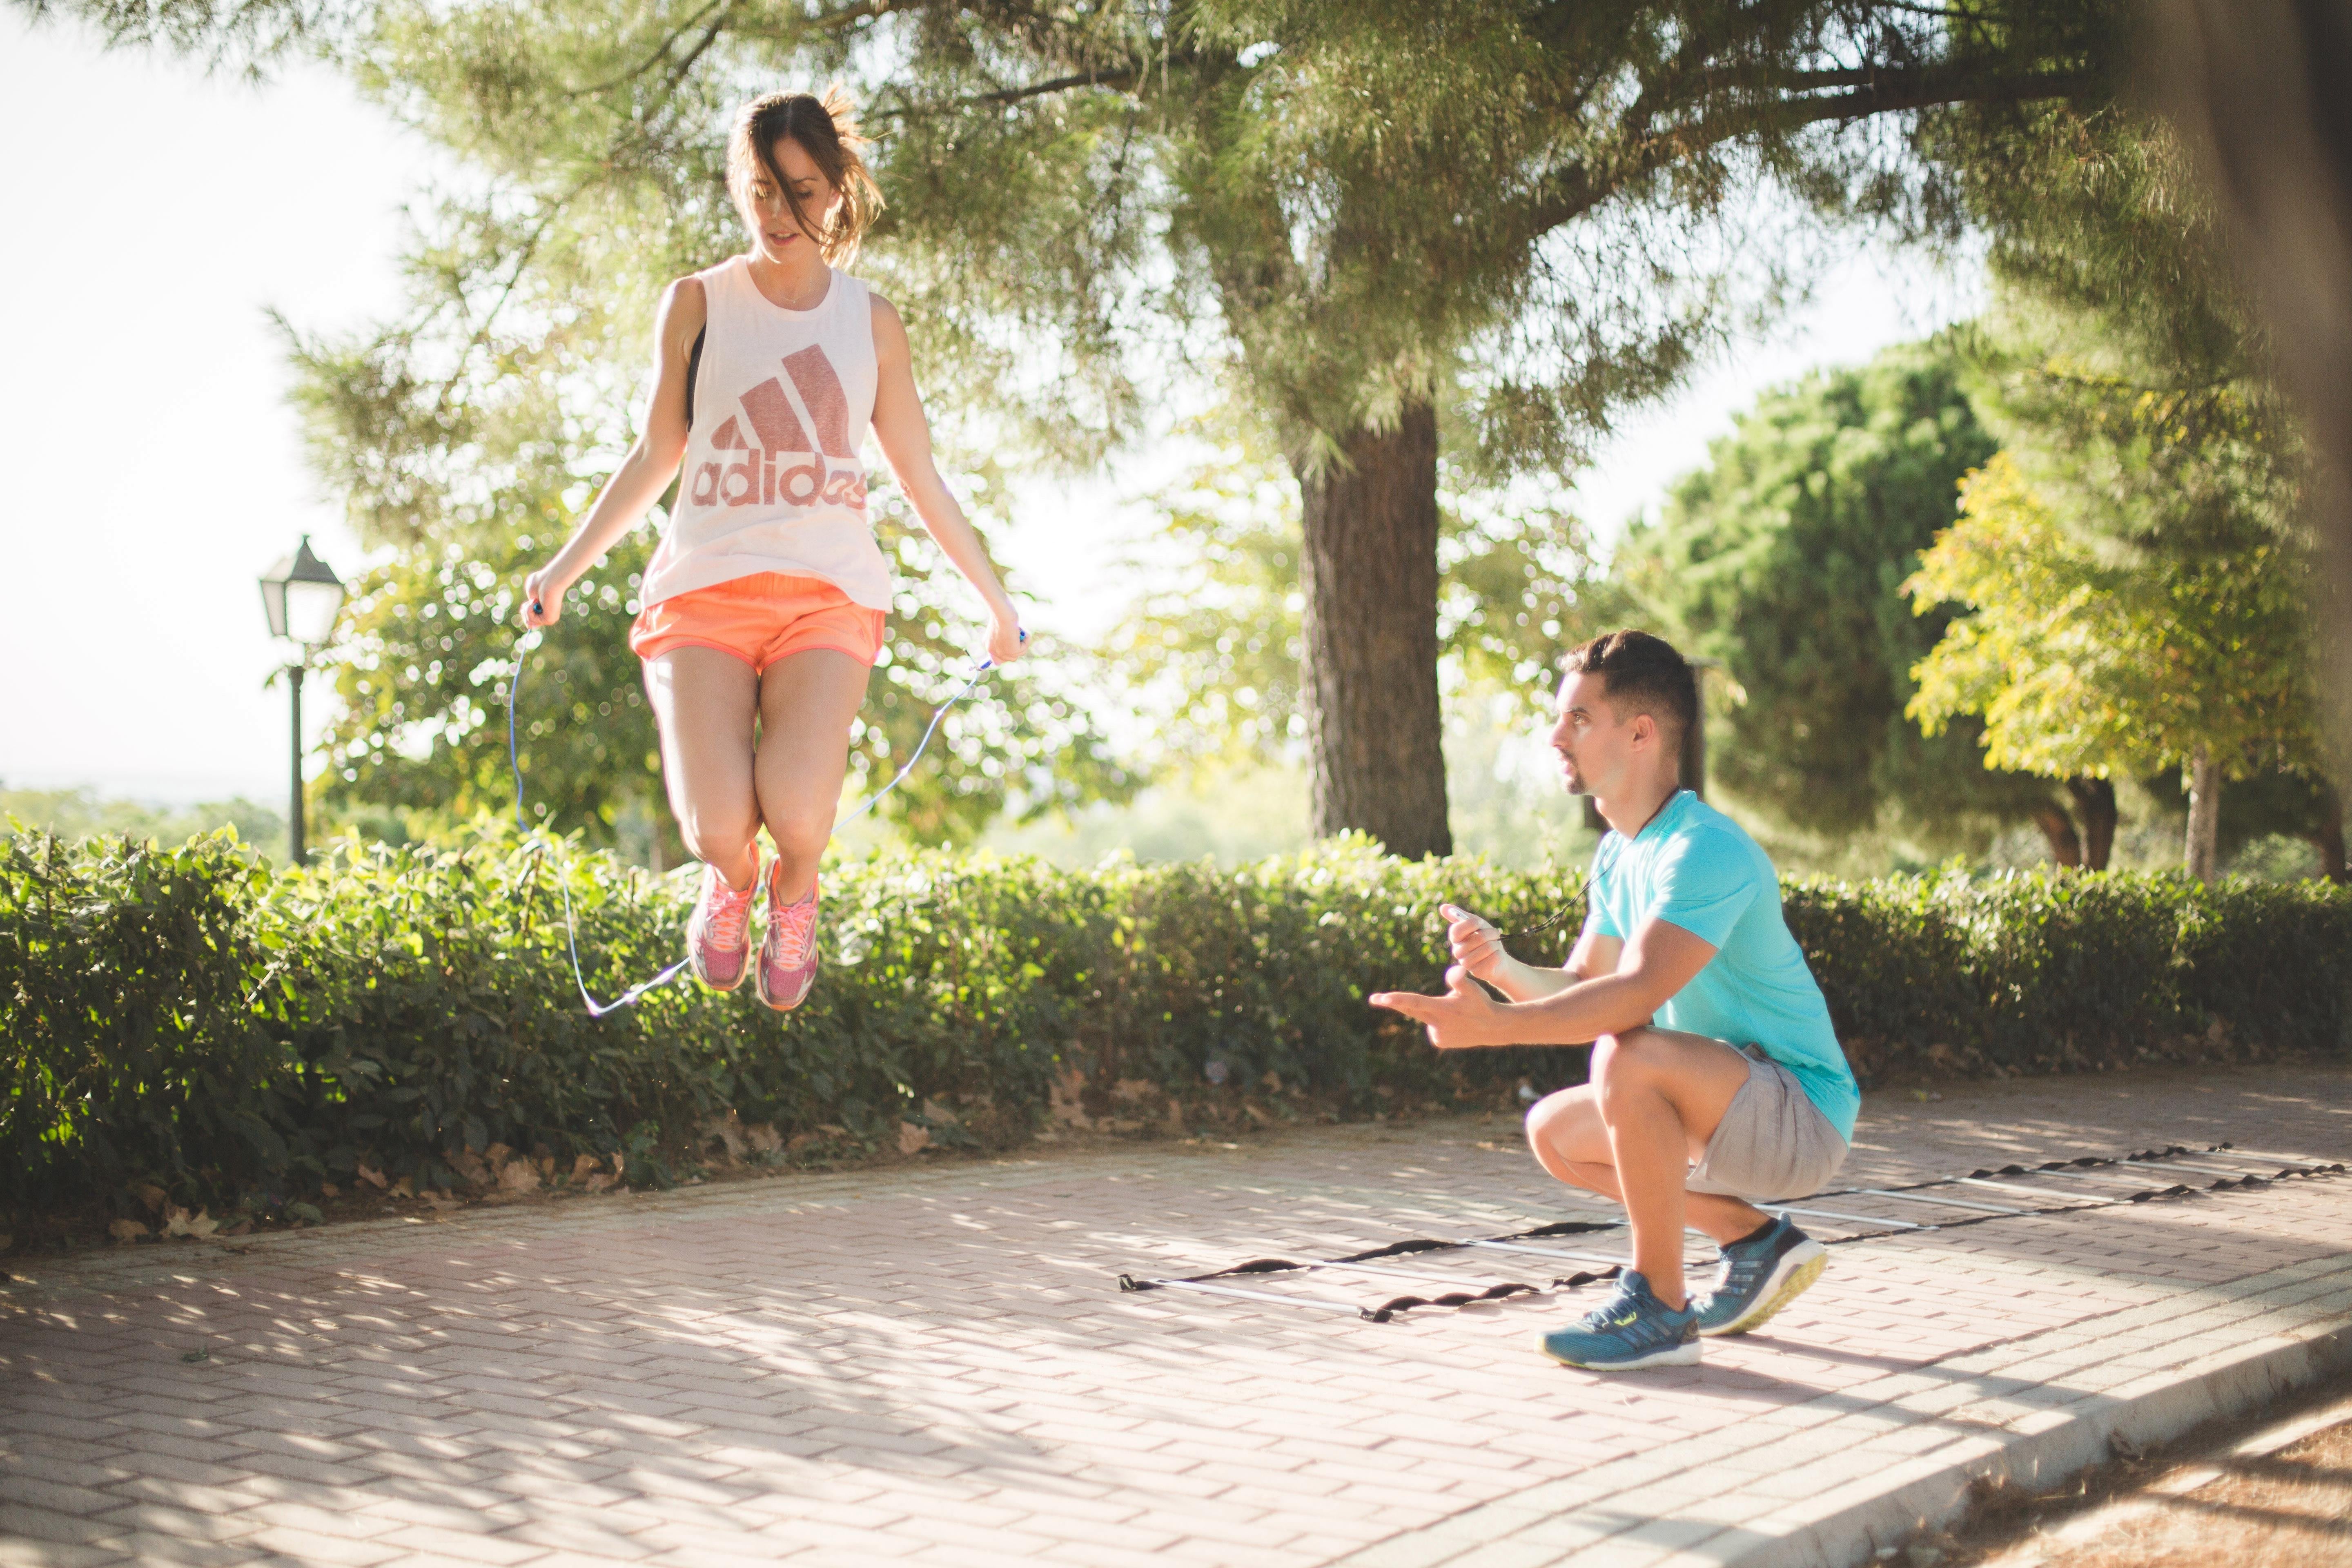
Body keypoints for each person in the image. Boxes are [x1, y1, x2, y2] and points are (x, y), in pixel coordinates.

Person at [519, 87, 1023, 1011]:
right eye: (759, 190)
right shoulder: (696, 305)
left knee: (798, 810)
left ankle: (796, 891)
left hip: (828, 599)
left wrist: (997, 604)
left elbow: (917, 472)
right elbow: (655, 455)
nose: (778, 215)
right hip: (702, 594)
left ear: (837, 190)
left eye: (799, 192)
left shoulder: (871, 322)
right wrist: (562, 569)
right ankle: (734, 884)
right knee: (716, 825)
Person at [1370, 630, 1858, 1370]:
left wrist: (1495, 1028)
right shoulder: (1621, 852)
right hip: (1727, 1108)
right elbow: (1582, 986)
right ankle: (1757, 1241)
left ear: (1640, 733)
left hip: (1801, 1117)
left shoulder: (1704, 849)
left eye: (1579, 719)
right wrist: (1501, 969)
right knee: (1555, 1132)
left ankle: (1660, 1306)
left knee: (1627, 1054)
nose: (1555, 734)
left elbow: (1632, 996)